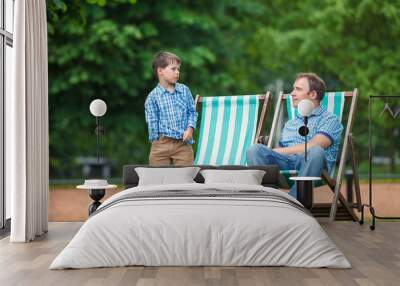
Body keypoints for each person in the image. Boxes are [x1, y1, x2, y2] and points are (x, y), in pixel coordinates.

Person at [246, 73, 343, 198]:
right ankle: (268, 198)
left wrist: (277, 151)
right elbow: (279, 153)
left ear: (313, 94)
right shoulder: (290, 124)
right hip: (287, 162)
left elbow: (315, 145)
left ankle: (293, 202)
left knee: (315, 151)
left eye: (298, 89)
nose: (292, 93)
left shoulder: (329, 119)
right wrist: (272, 152)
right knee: (255, 150)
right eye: (293, 89)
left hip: (314, 165)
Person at [145, 51, 197, 166]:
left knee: (186, 176)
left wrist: (190, 129)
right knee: (159, 178)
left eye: (178, 69)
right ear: (160, 71)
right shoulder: (152, 97)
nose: (177, 72)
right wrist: (156, 142)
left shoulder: (184, 90)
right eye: (173, 69)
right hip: (161, 144)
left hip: (182, 144)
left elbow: (192, 112)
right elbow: (152, 122)